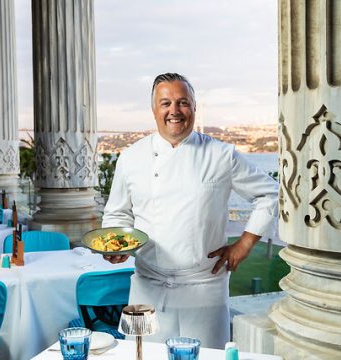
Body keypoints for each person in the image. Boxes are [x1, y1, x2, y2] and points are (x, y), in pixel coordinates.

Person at [102, 73, 278, 349]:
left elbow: (269, 192)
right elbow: (117, 213)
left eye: (183, 102)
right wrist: (115, 244)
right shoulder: (131, 157)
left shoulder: (221, 154)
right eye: (166, 103)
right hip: (147, 287)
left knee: (207, 356)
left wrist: (245, 243)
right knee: (143, 356)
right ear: (154, 110)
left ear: (194, 108)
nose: (175, 111)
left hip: (204, 288)